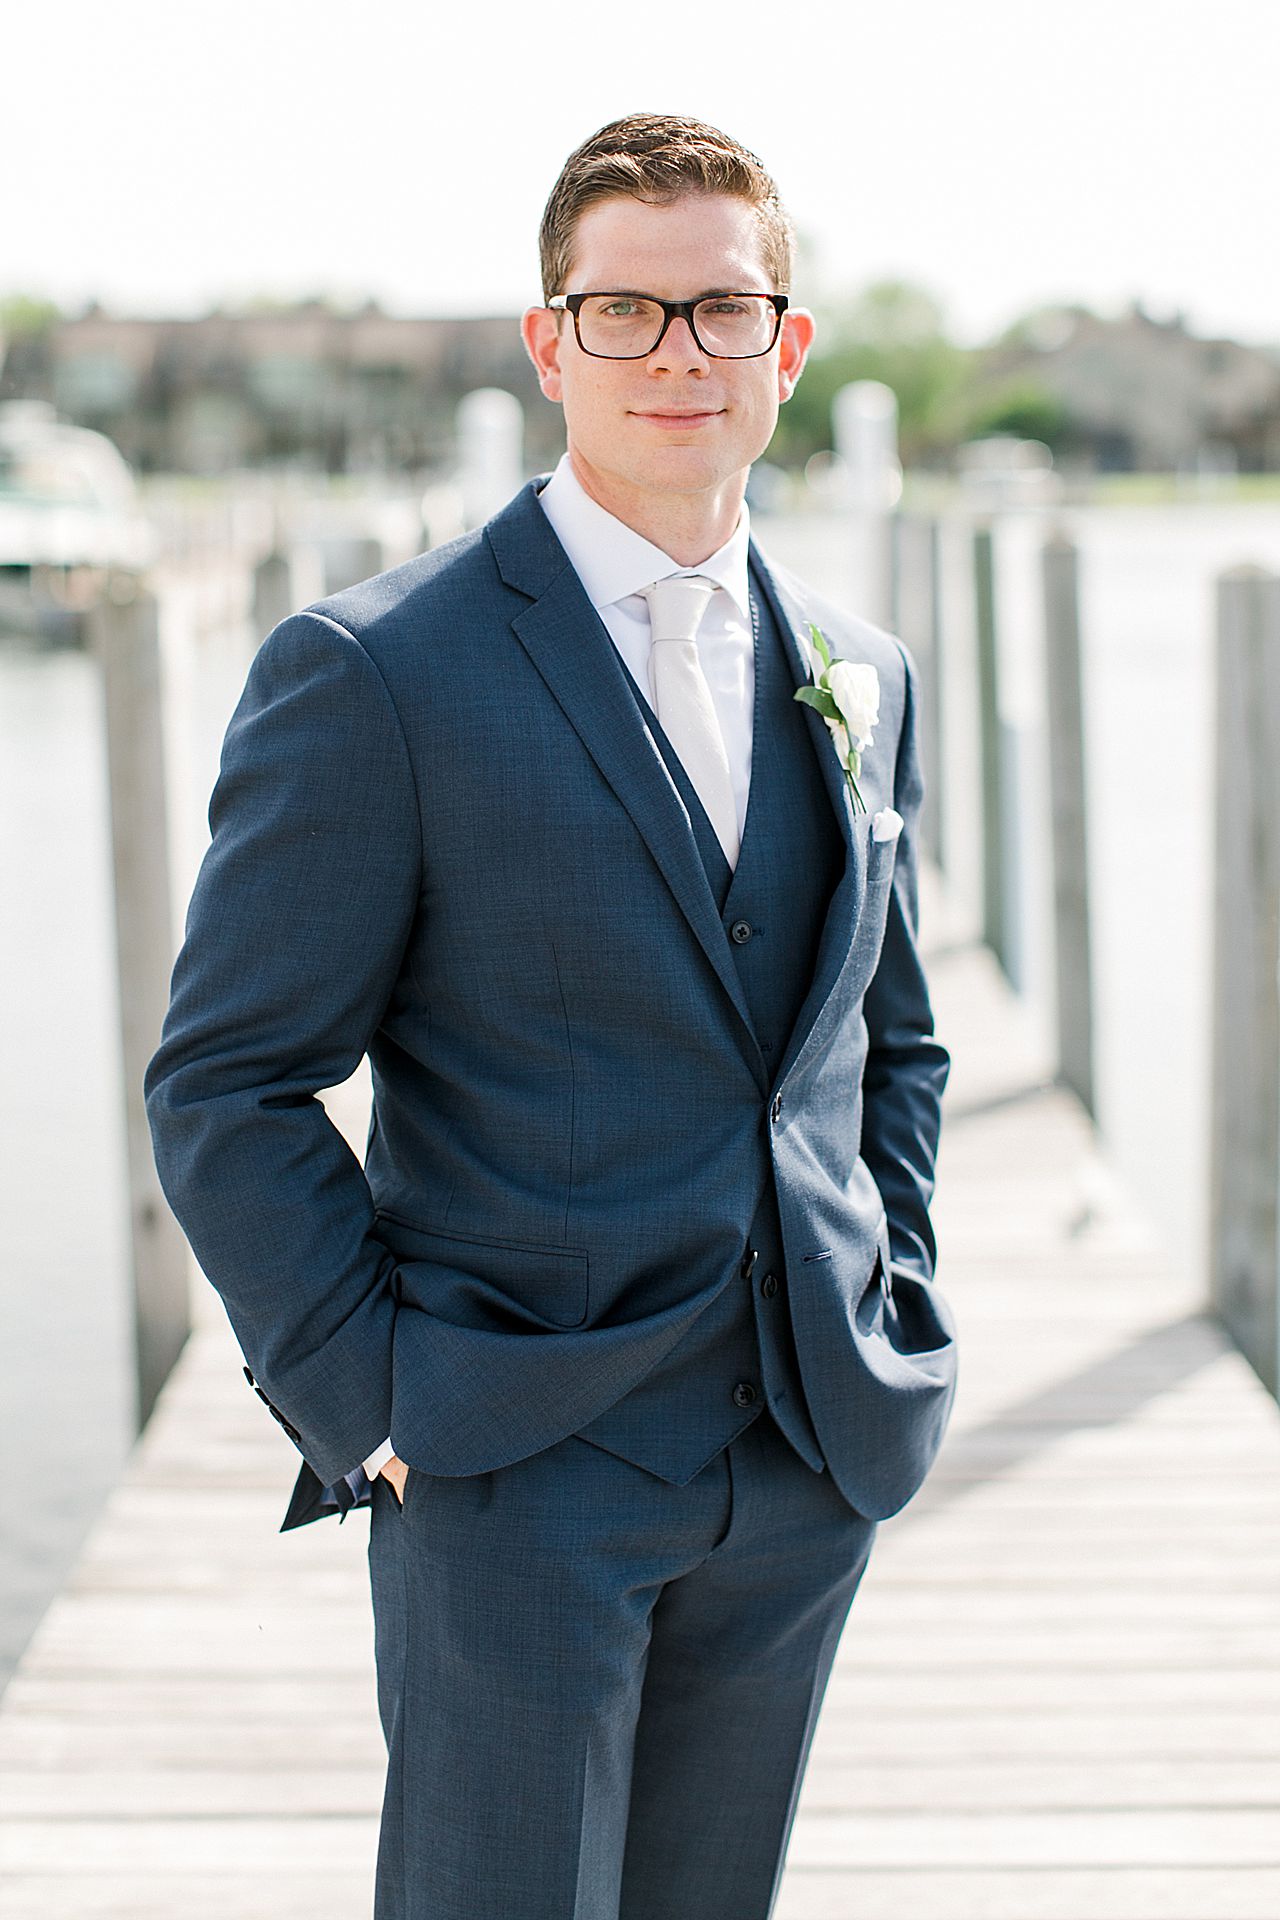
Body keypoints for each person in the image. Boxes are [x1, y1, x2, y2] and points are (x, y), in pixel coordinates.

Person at [145, 111, 958, 1920]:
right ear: (549, 344)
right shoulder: (378, 670)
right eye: (624, 312)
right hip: (515, 1468)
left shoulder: (866, 671)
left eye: (722, 312)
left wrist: (892, 1281)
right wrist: (371, 1399)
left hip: (805, 1458)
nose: (677, 354)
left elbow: (886, 1039)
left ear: (789, 348)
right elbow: (228, 1083)